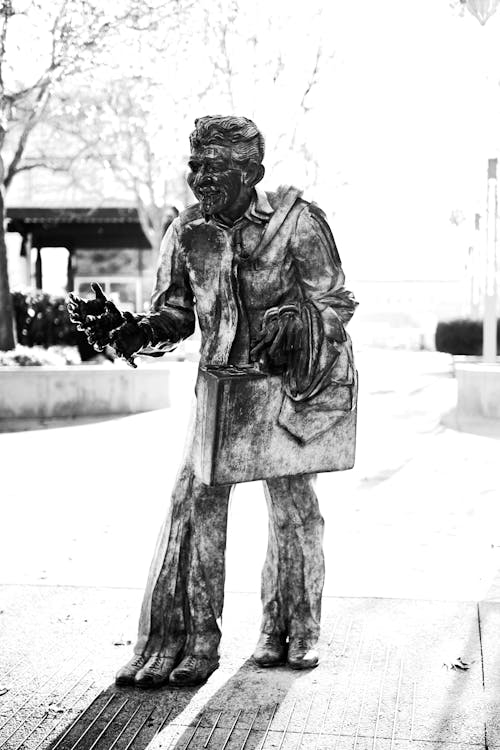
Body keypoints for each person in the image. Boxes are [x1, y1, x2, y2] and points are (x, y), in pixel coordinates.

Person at [68, 115, 357, 688]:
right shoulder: (185, 232)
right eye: (194, 164)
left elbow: (337, 300)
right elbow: (176, 315)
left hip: (284, 392)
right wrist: (135, 331)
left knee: (294, 510)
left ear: (252, 171)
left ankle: (293, 628)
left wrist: (297, 321)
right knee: (194, 507)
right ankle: (191, 641)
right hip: (219, 392)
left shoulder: (296, 223)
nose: (200, 177)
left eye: (215, 166)